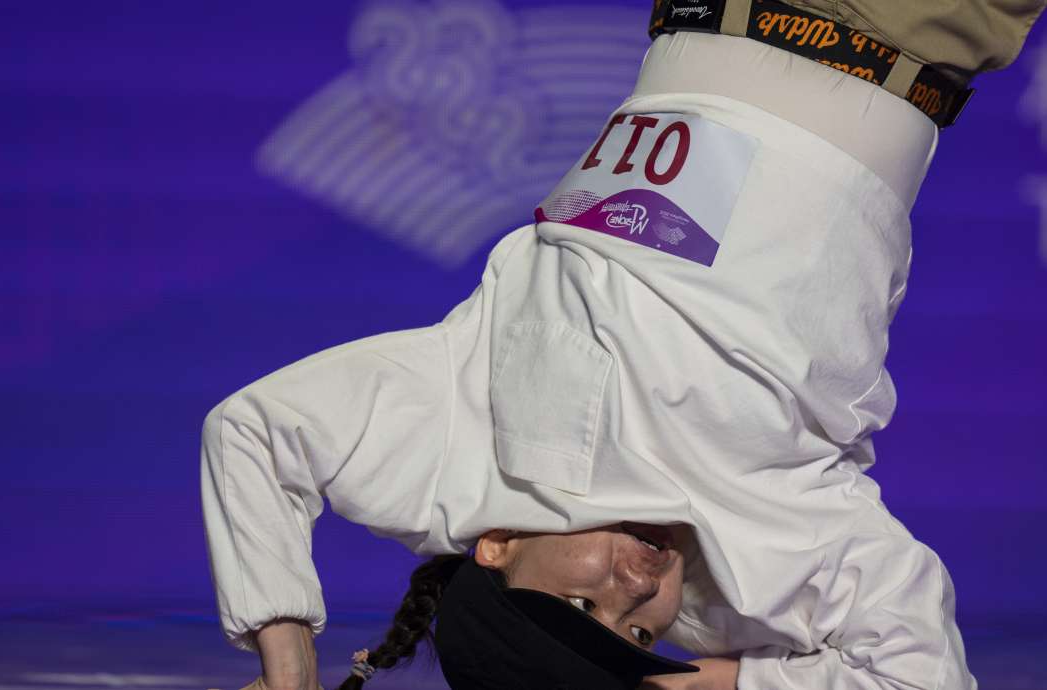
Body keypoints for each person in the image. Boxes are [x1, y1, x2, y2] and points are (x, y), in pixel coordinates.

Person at [202, 1, 1047, 688]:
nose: (638, 591)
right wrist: (728, 684)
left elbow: (253, 432)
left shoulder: (459, 458)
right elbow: (922, 677)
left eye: (586, 604)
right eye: (641, 632)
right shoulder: (760, 571)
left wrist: (290, 666)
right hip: (905, 29)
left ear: (496, 550)